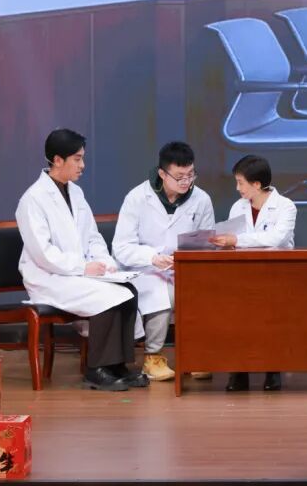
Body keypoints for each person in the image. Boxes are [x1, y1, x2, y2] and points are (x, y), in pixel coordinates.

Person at [16, 129, 147, 392]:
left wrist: (105, 263)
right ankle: (96, 369)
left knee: (128, 291)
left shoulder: (75, 193)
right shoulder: (32, 200)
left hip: (76, 273)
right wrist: (83, 267)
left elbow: (92, 236)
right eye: (77, 159)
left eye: (82, 158)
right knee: (108, 297)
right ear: (57, 160)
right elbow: (43, 253)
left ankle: (117, 366)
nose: (82, 165)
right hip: (49, 277)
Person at [112, 142, 215, 382]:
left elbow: (206, 241)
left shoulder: (201, 199)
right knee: (163, 293)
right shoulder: (137, 198)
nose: (186, 182)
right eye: (179, 177)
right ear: (162, 173)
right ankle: (153, 357)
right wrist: (152, 258)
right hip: (143, 269)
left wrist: (187, 260)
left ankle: (194, 355)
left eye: (190, 175)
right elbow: (122, 247)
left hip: (183, 268)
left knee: (203, 292)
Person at [209, 155, 297, 391]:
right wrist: (225, 243)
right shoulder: (238, 207)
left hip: (277, 275)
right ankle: (239, 369)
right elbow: (233, 240)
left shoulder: (286, 206)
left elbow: (276, 239)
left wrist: (237, 240)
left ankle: (273, 368)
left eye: (241, 182)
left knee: (271, 313)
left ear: (256, 184)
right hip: (243, 274)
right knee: (235, 311)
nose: (237, 188)